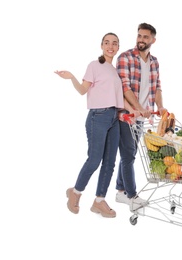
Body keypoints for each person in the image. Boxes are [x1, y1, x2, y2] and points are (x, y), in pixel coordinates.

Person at [54, 32, 124, 218]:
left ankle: (99, 201)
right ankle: (75, 192)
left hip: (114, 117)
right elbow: (83, 91)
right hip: (98, 117)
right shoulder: (95, 65)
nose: (111, 46)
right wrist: (71, 78)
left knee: (109, 162)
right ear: (101, 45)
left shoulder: (115, 70)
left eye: (115, 43)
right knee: (94, 160)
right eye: (107, 43)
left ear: (118, 47)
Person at [115, 23, 167, 210]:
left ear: (153, 40)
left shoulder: (154, 62)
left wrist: (160, 107)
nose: (141, 40)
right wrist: (138, 108)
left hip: (142, 117)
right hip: (127, 115)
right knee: (129, 156)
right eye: (139, 36)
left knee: (131, 154)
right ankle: (131, 195)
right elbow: (125, 87)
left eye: (145, 37)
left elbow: (157, 87)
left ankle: (121, 192)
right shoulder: (125, 58)